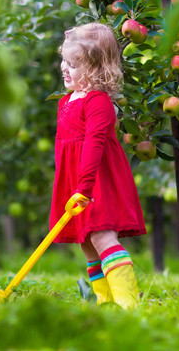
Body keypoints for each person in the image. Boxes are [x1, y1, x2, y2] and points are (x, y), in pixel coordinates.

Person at [49, 23, 147, 309]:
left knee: (103, 236)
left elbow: (94, 144)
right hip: (76, 183)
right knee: (88, 244)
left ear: (94, 69)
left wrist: (85, 185)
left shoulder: (98, 101)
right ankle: (106, 303)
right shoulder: (66, 101)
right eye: (64, 61)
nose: (65, 69)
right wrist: (69, 185)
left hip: (96, 183)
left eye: (74, 64)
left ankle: (129, 305)